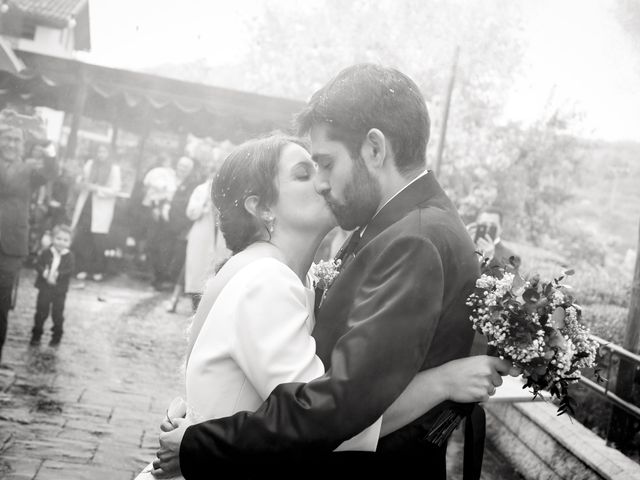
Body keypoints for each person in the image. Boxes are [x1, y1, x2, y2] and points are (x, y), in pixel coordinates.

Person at [152, 64, 510, 478]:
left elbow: (336, 410)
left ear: (375, 150)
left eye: (324, 163)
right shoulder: (392, 231)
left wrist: (200, 443)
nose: (321, 183)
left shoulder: (413, 238)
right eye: (308, 171)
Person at [0, 109, 56, 365]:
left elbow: (50, 172)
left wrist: (46, 142)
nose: (10, 144)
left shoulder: (30, 170)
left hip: (9, 247)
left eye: (16, 140)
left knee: (1, 309)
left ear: (23, 145)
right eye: (6, 138)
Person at [183, 151, 230, 312]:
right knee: (198, 268)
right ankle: (195, 307)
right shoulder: (201, 190)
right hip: (202, 233)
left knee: (217, 268)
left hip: (220, 234)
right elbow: (190, 212)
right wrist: (204, 206)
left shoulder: (228, 191)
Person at [70, 144, 122, 282]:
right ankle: (81, 268)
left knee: (98, 242)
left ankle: (97, 270)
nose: (101, 154)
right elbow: (82, 180)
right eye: (99, 151)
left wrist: (97, 189)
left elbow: (115, 190)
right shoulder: (90, 164)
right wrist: (81, 181)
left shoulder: (114, 169)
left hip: (101, 207)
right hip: (87, 205)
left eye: (104, 152)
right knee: (83, 239)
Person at [162, 156, 199, 312]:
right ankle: (172, 291)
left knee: (184, 260)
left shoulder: (194, 185)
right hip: (173, 225)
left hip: (187, 227)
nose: (181, 169)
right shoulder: (173, 179)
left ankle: (181, 295)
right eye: (180, 165)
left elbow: (188, 208)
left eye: (186, 167)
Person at [29, 224, 75, 347]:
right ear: (53, 239)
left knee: (58, 313)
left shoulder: (69, 256)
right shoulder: (46, 252)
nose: (61, 242)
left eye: (65, 240)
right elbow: (38, 264)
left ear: (70, 242)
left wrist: (57, 275)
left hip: (59, 290)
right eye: (58, 239)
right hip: (45, 288)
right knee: (41, 311)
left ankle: (56, 336)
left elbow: (70, 270)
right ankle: (36, 334)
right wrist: (45, 273)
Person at [467, 207, 521, 272]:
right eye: (483, 224)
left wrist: (490, 258)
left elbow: (505, 279)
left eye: (492, 225)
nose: (487, 229)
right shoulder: (467, 247)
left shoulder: (512, 257)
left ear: (501, 228)